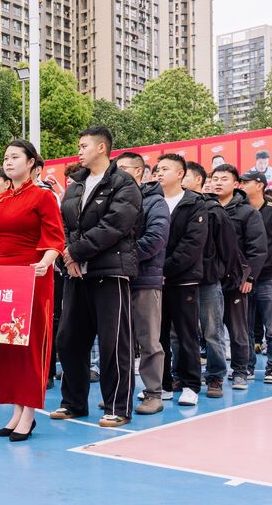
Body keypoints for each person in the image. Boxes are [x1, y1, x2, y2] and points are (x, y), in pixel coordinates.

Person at [0, 141, 65, 440]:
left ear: (31, 162)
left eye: (15, 157)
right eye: (5, 157)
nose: (8, 162)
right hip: (3, 278)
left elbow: (55, 239)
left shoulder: (43, 196)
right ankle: (15, 410)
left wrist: (45, 262)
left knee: (30, 344)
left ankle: (29, 413)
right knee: (7, 345)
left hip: (33, 275)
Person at [53, 128, 140, 428]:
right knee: (69, 340)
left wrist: (75, 252)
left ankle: (117, 406)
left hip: (110, 272)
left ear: (102, 148)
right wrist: (68, 256)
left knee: (114, 344)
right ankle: (73, 402)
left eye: (84, 146)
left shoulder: (123, 182)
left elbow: (114, 226)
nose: (79, 151)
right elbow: (65, 226)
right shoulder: (76, 185)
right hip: (76, 274)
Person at [115, 152, 170, 415]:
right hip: (117, 278)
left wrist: (123, 257)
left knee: (149, 340)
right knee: (120, 341)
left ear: (139, 171)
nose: (117, 173)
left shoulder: (155, 202)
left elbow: (156, 238)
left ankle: (153, 393)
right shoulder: (116, 199)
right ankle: (121, 393)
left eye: (123, 168)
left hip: (145, 279)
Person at [184, 161, 244, 399]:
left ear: (198, 180)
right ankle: (183, 375)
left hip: (208, 281)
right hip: (181, 280)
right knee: (182, 333)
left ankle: (215, 376)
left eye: (185, 175)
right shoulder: (175, 206)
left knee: (212, 332)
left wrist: (223, 274)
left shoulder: (213, 209)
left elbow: (229, 249)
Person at [155, 154, 208, 405]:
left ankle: (191, 386)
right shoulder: (150, 200)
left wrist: (165, 269)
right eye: (157, 169)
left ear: (180, 174)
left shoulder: (195, 203)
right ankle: (163, 384)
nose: (159, 173)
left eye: (165, 169)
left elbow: (192, 244)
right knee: (158, 335)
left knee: (187, 335)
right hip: (154, 280)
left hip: (183, 279)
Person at [212, 165, 268, 390]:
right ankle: (214, 373)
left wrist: (249, 277)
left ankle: (240, 372)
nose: (218, 182)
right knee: (211, 331)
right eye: (215, 178)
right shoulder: (206, 207)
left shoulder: (247, 212)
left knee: (238, 330)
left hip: (236, 280)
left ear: (236, 184)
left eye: (224, 179)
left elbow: (258, 249)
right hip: (210, 279)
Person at [240, 171, 272, 384]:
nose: (242, 185)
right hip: (243, 278)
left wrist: (269, 263)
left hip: (268, 277)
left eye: (246, 182)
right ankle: (247, 367)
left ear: (259, 185)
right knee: (245, 327)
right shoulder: (239, 210)